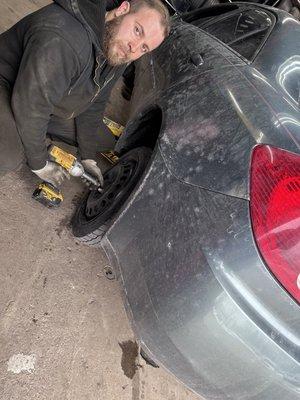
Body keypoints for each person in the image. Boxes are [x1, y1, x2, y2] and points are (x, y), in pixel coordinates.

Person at [0, 0, 170, 187]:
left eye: (144, 48)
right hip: (9, 84)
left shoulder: (118, 49)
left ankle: (29, 131)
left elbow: (96, 100)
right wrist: (39, 163)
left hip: (47, 95)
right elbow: (30, 105)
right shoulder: (66, 37)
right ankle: (25, 132)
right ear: (122, 10)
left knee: (103, 140)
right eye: (138, 30)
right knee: (8, 153)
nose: (134, 47)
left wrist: (88, 157)